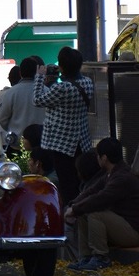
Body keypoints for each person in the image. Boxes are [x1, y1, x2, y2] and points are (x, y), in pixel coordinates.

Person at [65, 137, 139, 271]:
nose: (97, 159)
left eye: (98, 156)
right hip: (122, 225)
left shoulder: (122, 177)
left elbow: (101, 198)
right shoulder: (111, 174)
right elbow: (92, 190)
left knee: (95, 212)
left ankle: (100, 257)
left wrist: (74, 209)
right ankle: (85, 257)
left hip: (133, 231)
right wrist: (73, 205)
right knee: (84, 212)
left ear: (104, 158)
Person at [32, 46, 93, 205]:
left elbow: (37, 100)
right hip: (81, 141)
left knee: (66, 182)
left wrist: (40, 77)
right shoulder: (88, 83)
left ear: (62, 66)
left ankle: (70, 214)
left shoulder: (62, 87)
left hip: (61, 144)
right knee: (79, 180)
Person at [0, 57, 46, 145]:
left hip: (17, 142)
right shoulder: (46, 91)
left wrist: (12, 128)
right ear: (36, 72)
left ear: (20, 73)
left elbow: (1, 118)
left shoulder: (11, 92)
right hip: (41, 143)